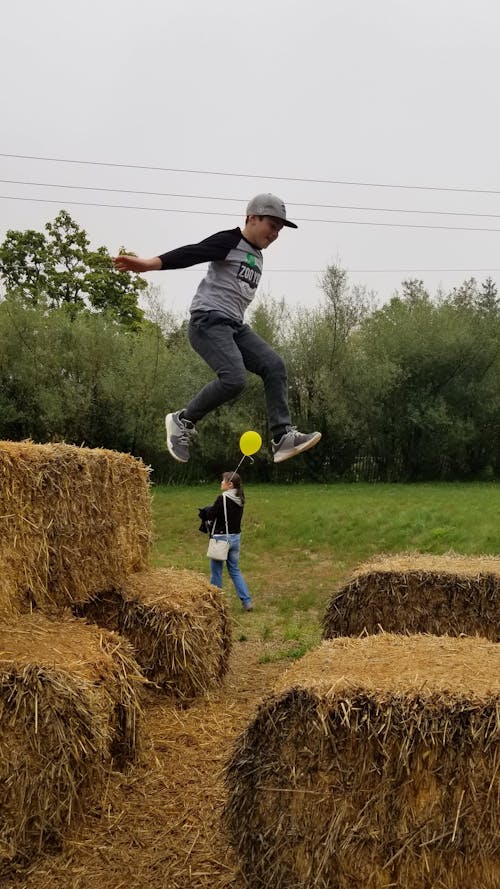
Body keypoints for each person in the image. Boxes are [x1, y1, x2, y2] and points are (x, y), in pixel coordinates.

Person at [113, 193, 321, 464]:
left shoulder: (257, 255)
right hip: (207, 321)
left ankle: (282, 438)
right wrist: (149, 264)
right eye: (272, 226)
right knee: (234, 379)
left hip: (233, 325)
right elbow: (192, 253)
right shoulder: (229, 240)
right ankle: (182, 420)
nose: (275, 235)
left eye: (279, 230)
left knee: (274, 365)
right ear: (252, 218)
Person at [199, 471, 252, 612]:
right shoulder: (240, 498)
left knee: (216, 572)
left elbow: (211, 514)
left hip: (221, 539)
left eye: (223, 481)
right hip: (235, 538)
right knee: (234, 571)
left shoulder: (222, 498)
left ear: (230, 484)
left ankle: (216, 604)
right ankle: (247, 601)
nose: (221, 483)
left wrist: (205, 510)